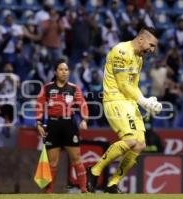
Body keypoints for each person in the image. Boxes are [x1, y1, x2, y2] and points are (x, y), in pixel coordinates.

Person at [86, 26, 162, 193]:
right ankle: (94, 171)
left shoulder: (139, 59)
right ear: (141, 39)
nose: (152, 50)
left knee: (140, 145)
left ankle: (112, 183)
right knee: (130, 141)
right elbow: (123, 84)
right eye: (151, 45)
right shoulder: (120, 51)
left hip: (129, 103)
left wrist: (146, 101)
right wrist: (144, 102)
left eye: (154, 47)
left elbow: (133, 85)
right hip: (114, 100)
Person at [36, 59, 89, 193]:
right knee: (53, 162)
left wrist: (84, 120)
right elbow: (39, 106)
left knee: (76, 159)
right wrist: (38, 123)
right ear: (55, 72)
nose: (64, 72)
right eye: (61, 69)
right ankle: (49, 192)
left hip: (69, 125)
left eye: (66, 70)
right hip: (53, 125)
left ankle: (84, 190)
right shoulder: (47, 88)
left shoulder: (74, 88)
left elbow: (82, 104)